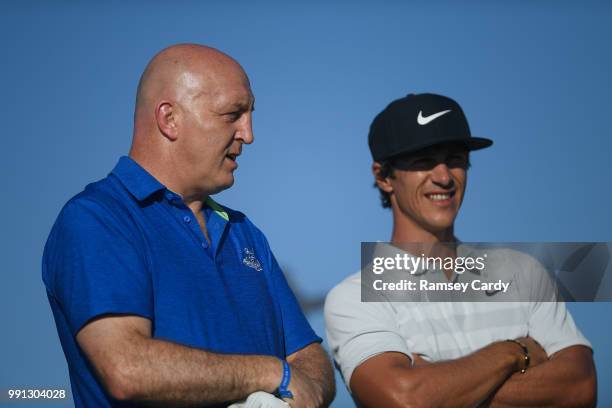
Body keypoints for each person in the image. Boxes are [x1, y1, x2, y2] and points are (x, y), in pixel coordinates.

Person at [42, 44, 335, 408]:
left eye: (250, 115)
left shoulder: (246, 234)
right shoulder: (97, 218)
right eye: (233, 114)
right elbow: (128, 368)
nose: (249, 133)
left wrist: (294, 388)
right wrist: (270, 373)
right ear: (169, 119)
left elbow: (312, 360)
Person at [324, 93, 596, 407]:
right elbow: (404, 400)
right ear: (384, 177)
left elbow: (581, 389)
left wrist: (442, 385)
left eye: (455, 159)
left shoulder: (523, 272)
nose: (443, 177)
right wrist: (513, 353)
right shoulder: (353, 297)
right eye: (423, 161)